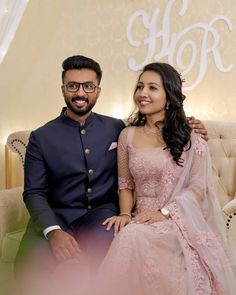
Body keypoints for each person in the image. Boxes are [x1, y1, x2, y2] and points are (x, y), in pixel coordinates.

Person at [15, 55, 208, 277]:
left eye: (88, 86)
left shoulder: (116, 128)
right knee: (28, 273)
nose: (80, 93)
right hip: (56, 218)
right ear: (63, 89)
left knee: (104, 261)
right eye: (72, 86)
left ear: (98, 90)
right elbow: (34, 193)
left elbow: (159, 133)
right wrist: (53, 231)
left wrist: (195, 128)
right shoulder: (41, 137)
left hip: (101, 218)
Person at [98, 62, 236, 295]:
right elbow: (125, 184)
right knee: (130, 232)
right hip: (140, 217)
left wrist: (164, 213)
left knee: (133, 235)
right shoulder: (127, 135)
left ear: (169, 97)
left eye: (153, 88)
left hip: (177, 220)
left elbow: (199, 188)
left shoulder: (190, 136)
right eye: (140, 87)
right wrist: (124, 215)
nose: (142, 94)